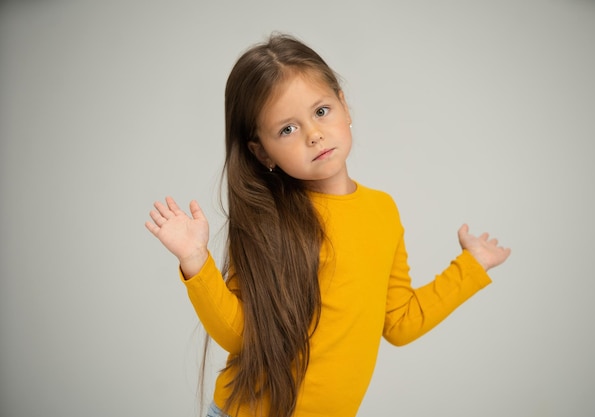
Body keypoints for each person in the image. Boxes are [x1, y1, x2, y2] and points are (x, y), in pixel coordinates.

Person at [145, 33, 511, 417]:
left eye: (321, 111)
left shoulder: (382, 210)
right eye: (287, 129)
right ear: (262, 152)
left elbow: (400, 322)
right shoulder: (268, 222)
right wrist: (195, 262)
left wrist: (472, 265)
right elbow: (242, 336)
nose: (313, 134)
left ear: (344, 105)